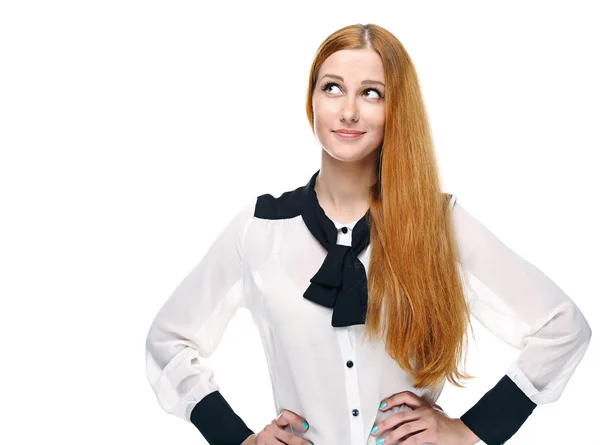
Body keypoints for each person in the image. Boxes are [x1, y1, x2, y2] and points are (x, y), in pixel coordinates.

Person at [145, 23, 592, 445]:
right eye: (332, 88)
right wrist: (235, 436)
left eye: (371, 93)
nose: (349, 110)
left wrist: (470, 429)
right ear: (312, 101)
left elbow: (562, 327)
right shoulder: (259, 230)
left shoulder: (440, 225)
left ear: (395, 107)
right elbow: (168, 340)